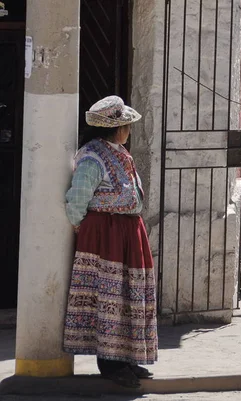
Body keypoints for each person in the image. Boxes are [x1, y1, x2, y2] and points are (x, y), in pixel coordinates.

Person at [63, 96, 157, 388]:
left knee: (129, 293)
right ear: (116, 128)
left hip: (127, 230)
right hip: (106, 233)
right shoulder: (92, 157)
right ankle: (110, 363)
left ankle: (127, 357)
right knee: (110, 296)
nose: (129, 129)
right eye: (126, 124)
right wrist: (83, 225)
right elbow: (78, 197)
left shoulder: (117, 152)